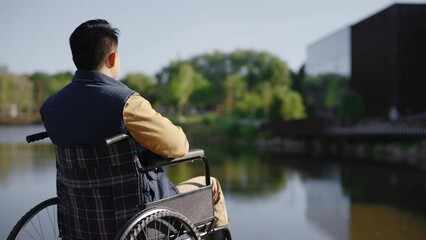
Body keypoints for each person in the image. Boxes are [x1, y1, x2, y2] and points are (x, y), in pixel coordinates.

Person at [40, 19, 228, 239]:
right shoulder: (125, 103)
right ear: (112, 58)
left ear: (75, 59)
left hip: (81, 221)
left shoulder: (50, 108)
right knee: (211, 186)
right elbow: (178, 147)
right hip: (136, 220)